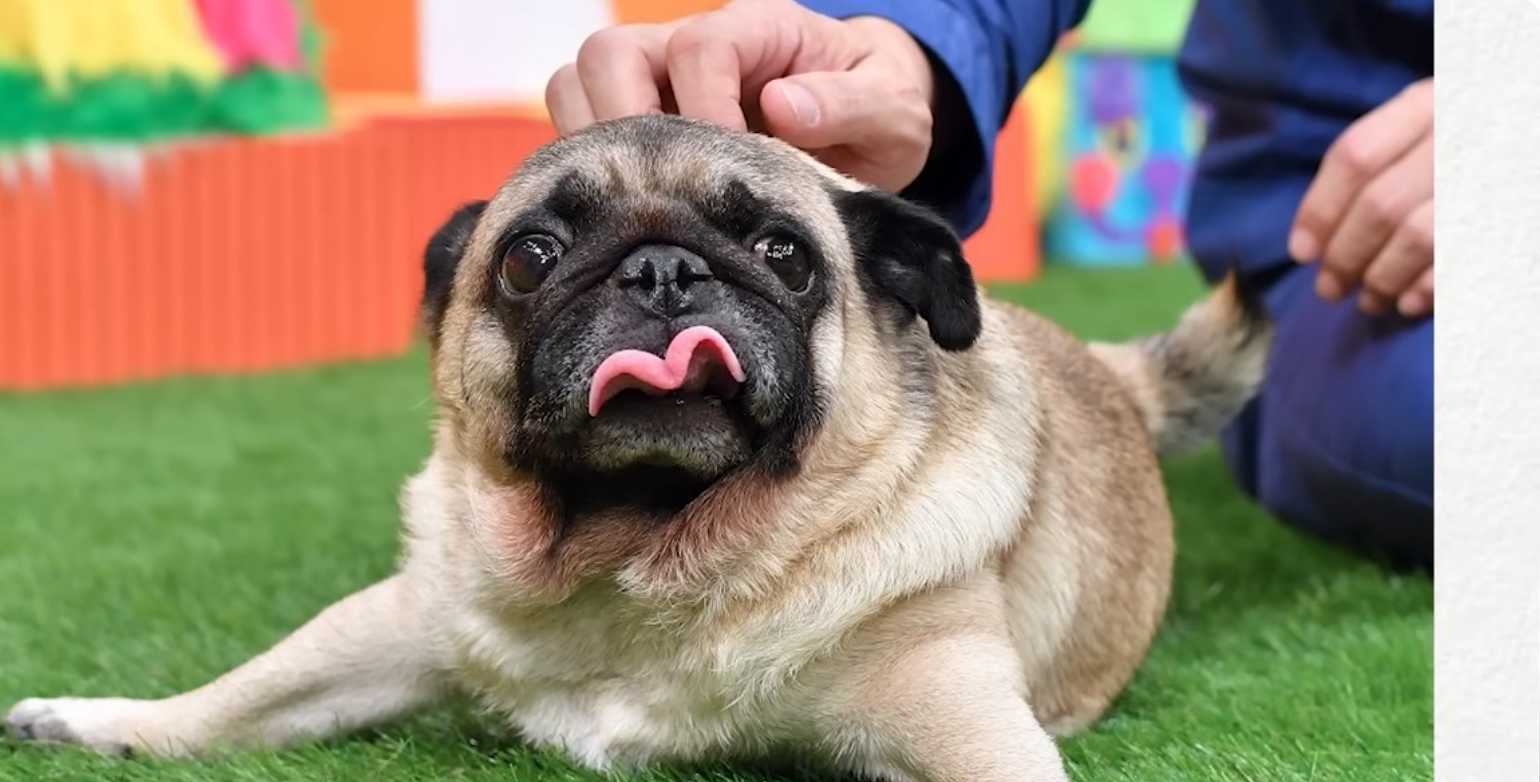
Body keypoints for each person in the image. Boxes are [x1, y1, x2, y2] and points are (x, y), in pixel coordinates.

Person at [545, 0, 1434, 570]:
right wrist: (904, 40)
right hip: (1358, 219)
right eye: (536, 260)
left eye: (780, 255)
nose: (662, 282)